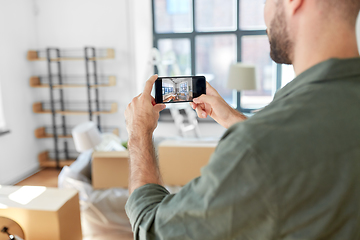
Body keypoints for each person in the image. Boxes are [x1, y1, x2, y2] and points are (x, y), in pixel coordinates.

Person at [124, 0, 360, 239]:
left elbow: (152, 229)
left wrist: (139, 132)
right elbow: (306, 149)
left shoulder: (254, 148)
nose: (265, 13)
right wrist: (233, 119)